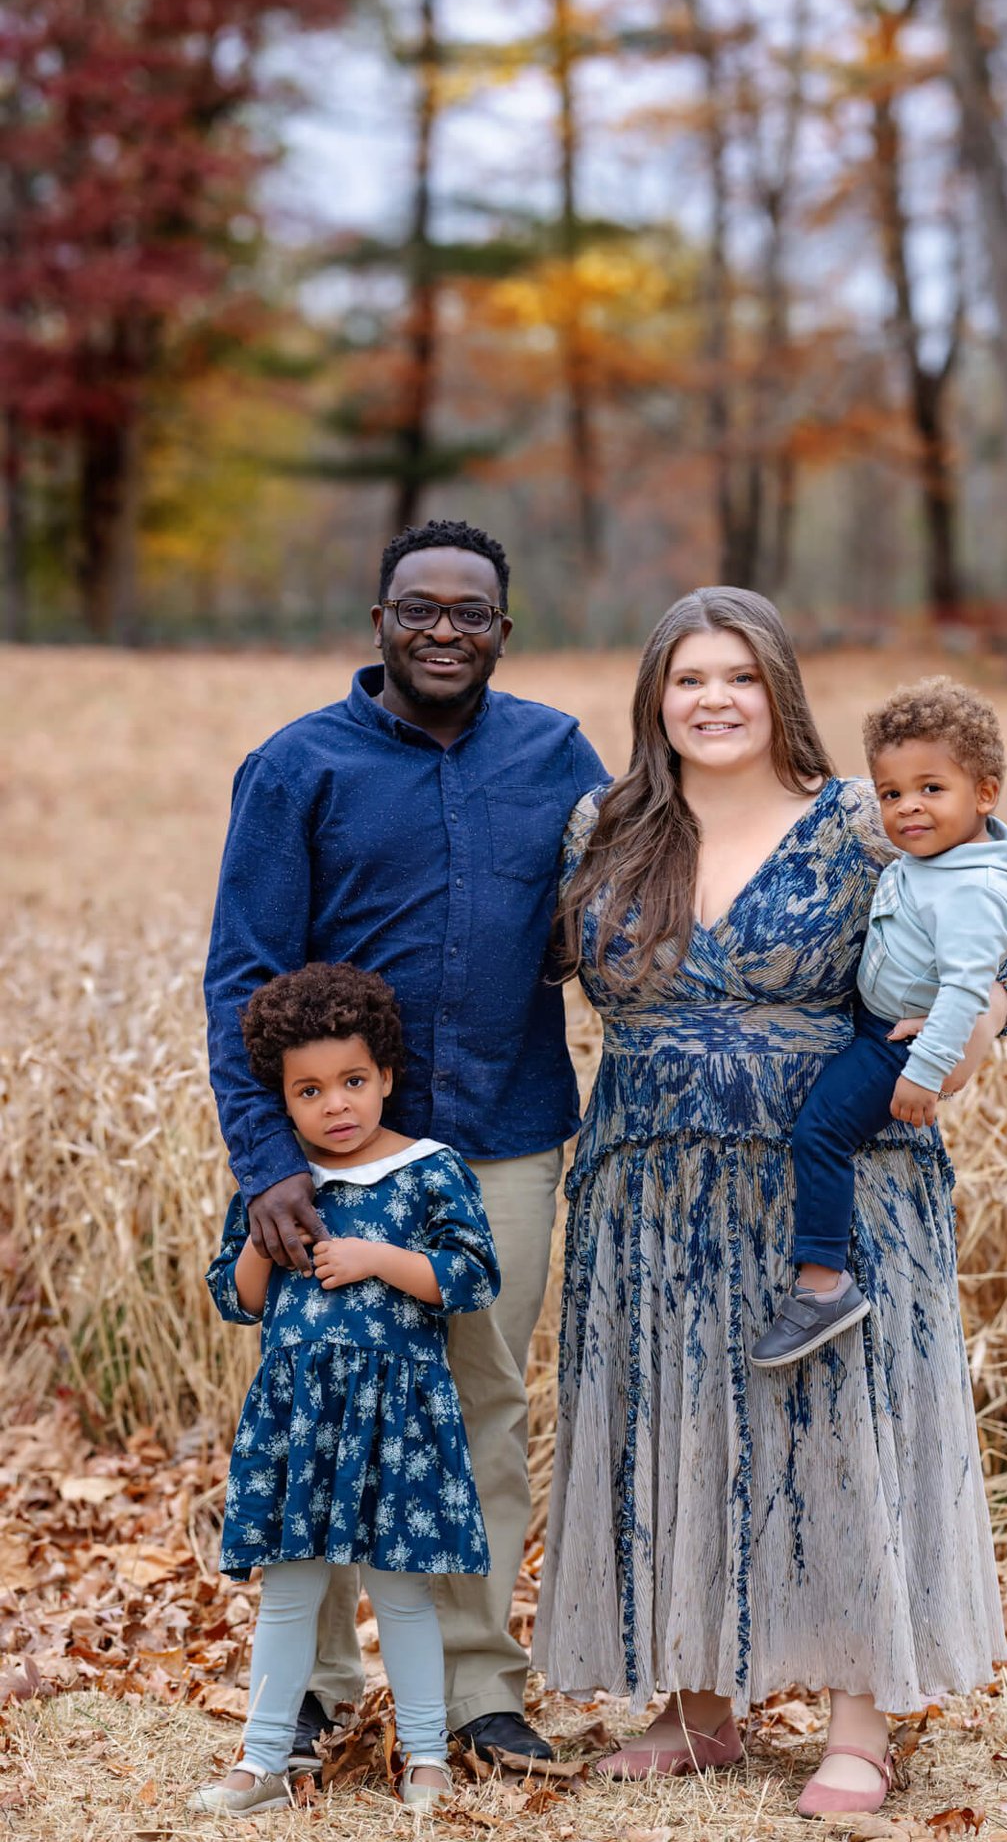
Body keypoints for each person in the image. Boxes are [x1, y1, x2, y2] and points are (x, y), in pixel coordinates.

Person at [531, 589, 1007, 1820]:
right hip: (648, 1174)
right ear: (655, 697)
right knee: (673, 1418)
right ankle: (694, 1706)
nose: (714, 699)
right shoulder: (605, 825)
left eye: (740, 677)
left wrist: (978, 1015)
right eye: (688, 678)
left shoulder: (864, 819)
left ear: (779, 692)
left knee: (834, 1423)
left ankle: (859, 1723)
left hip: (832, 1174)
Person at [203, 518, 607, 1768]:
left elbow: (630, 900)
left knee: (484, 1402)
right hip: (331, 1158)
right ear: (379, 621)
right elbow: (243, 975)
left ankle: (481, 1690)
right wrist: (268, 1164)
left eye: (468, 611)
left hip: (505, 1137)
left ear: (503, 628)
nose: (443, 628)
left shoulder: (556, 754)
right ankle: (314, 1688)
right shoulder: (297, 768)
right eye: (418, 607)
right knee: (324, 1399)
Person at [191, 963, 499, 1816]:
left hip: (397, 1418)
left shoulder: (429, 1169)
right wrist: (264, 1236)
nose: (336, 1105)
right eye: (310, 1090)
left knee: (400, 1590)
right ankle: (261, 1760)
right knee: (289, 1590)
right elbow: (236, 1299)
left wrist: (377, 1259)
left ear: (387, 1076)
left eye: (353, 1081)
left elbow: (472, 1275)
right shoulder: (279, 1182)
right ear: (283, 1101)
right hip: (301, 1416)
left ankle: (427, 1756)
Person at [751, 676, 1007, 1370]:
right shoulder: (938, 861)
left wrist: (926, 1071)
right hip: (879, 1024)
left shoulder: (971, 887)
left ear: (984, 794)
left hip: (900, 1045)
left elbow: (966, 986)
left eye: (931, 788)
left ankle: (822, 1284)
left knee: (822, 1130)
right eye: (890, 793)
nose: (907, 806)